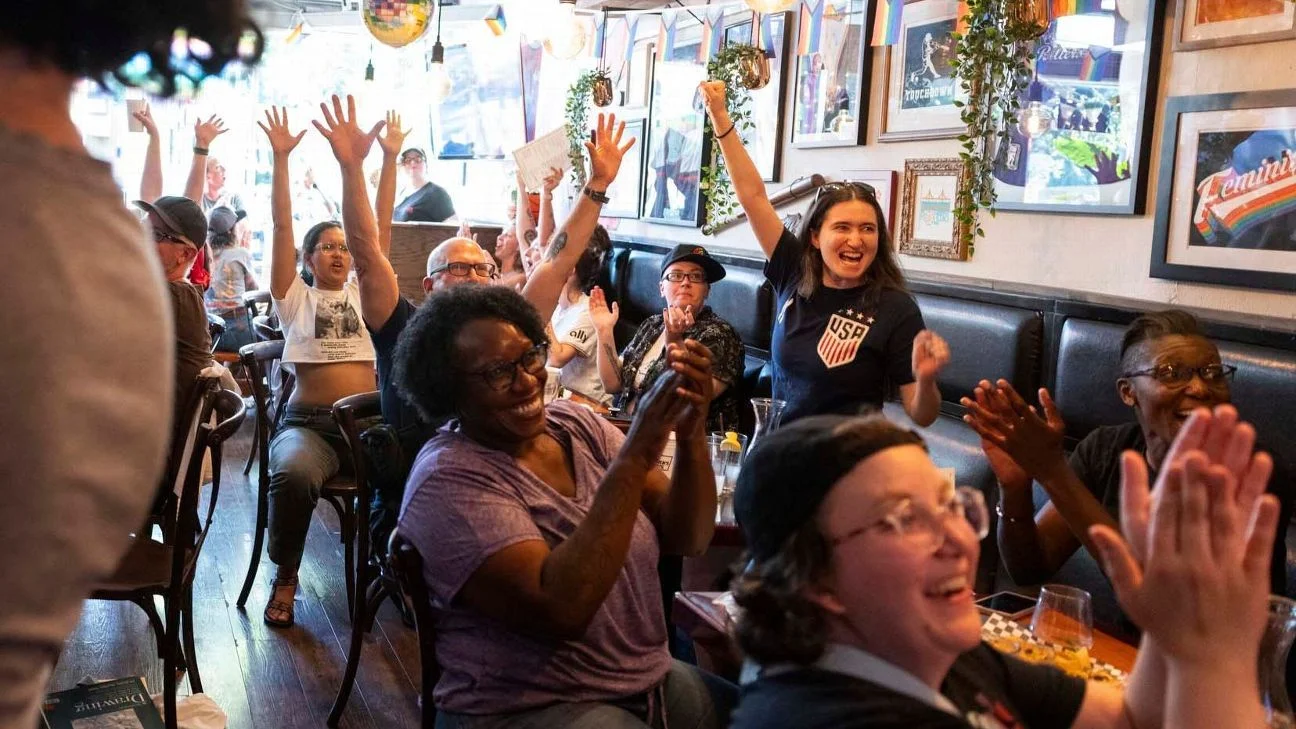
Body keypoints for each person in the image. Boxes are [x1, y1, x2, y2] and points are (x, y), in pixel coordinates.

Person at [0, 5, 260, 725]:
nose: (150, 237)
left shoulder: (149, 285)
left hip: (157, 477)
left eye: (163, 235)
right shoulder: (112, 260)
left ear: (178, 248)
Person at [728, 408, 1278, 729]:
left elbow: (1131, 719)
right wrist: (1219, 656)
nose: (958, 539)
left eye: (952, 506)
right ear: (814, 576)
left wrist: (1175, 633)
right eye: (903, 519)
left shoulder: (948, 657)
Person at [392, 284, 737, 727]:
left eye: (531, 356)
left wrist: (691, 429)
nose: (527, 380)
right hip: (526, 705)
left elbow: (688, 535)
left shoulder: (577, 425)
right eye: (499, 372)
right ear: (448, 390)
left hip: (644, 681)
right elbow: (562, 609)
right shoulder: (449, 478)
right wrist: (635, 455)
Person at [356, 112, 637, 555]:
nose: (474, 276)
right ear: (430, 284)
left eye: (482, 268)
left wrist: (596, 187)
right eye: (458, 268)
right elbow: (369, 253)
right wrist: (359, 166)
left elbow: (556, 262)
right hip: (414, 501)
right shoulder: (401, 323)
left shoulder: (507, 323)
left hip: (507, 490)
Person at [961, 309, 1292, 637]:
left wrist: (1053, 473)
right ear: (1127, 391)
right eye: (1172, 372)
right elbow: (1029, 567)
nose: (1200, 388)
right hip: (1131, 656)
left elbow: (1167, 605)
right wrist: (1016, 488)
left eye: (1211, 372)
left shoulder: (1252, 469)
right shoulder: (1106, 449)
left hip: (1220, 672)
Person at [698, 80, 949, 426]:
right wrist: (721, 117)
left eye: (868, 229)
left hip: (848, 467)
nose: (856, 240)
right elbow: (753, 196)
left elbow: (923, 415)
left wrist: (925, 378)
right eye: (842, 228)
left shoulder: (896, 308)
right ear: (815, 237)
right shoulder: (792, 269)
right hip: (780, 456)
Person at [257, 98, 383, 627]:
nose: (338, 253)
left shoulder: (369, 294)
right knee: (291, 476)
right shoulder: (295, 297)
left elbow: (376, 234)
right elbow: (282, 224)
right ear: (309, 260)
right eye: (325, 247)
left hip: (375, 424)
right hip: (310, 427)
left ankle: (392, 574)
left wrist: (386, 161)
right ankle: (287, 576)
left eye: (343, 247)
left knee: (426, 470)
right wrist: (282, 159)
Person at [589, 244, 745, 432]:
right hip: (628, 432)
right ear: (662, 288)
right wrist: (604, 331)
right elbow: (612, 384)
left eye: (696, 277)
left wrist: (674, 340)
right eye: (676, 275)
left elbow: (688, 398)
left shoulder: (721, 334)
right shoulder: (652, 325)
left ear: (707, 291)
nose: (686, 282)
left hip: (684, 446)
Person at [135, 196, 215, 440]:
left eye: (157, 235)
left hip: (151, 451)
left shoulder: (174, 297)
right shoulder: (171, 292)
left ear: (185, 254)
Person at [546, 225, 613, 408]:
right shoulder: (559, 308)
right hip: (559, 400)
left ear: (570, 269)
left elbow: (556, 359)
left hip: (589, 406)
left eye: (550, 258)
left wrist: (542, 311)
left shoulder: (587, 310)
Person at [205, 205, 258, 353]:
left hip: (210, 333)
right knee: (264, 334)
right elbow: (253, 289)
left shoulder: (204, 255)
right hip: (238, 330)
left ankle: (226, 372)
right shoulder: (241, 254)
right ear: (231, 231)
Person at [393, 147, 455, 222]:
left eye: (418, 159)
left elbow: (453, 226)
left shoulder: (437, 193)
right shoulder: (401, 193)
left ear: (426, 164)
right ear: (403, 165)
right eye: (408, 160)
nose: (413, 163)